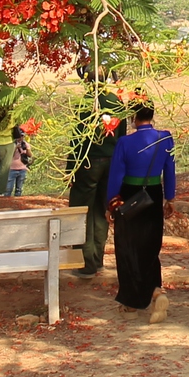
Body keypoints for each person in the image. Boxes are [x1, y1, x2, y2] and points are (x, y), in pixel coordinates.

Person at [105, 102, 177, 319]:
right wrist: (170, 198)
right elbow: (170, 171)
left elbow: (116, 175)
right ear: (152, 114)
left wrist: (111, 203)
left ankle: (131, 303)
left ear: (133, 117)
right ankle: (156, 291)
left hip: (130, 195)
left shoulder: (125, 142)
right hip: (154, 195)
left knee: (127, 248)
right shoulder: (165, 138)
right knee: (150, 246)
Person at [66, 110, 122, 277]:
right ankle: (97, 259)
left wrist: (71, 170)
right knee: (101, 210)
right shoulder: (117, 103)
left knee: (82, 210)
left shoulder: (86, 104)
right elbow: (122, 137)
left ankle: (86, 262)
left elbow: (77, 140)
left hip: (88, 162)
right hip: (111, 162)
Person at [3, 124, 31, 197]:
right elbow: (8, 155)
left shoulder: (25, 144)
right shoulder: (11, 144)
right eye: (19, 136)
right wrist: (15, 148)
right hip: (12, 169)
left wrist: (27, 149)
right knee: (9, 188)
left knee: (19, 189)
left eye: (22, 136)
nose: (20, 138)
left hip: (22, 169)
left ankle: (17, 202)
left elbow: (30, 155)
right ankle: (6, 201)